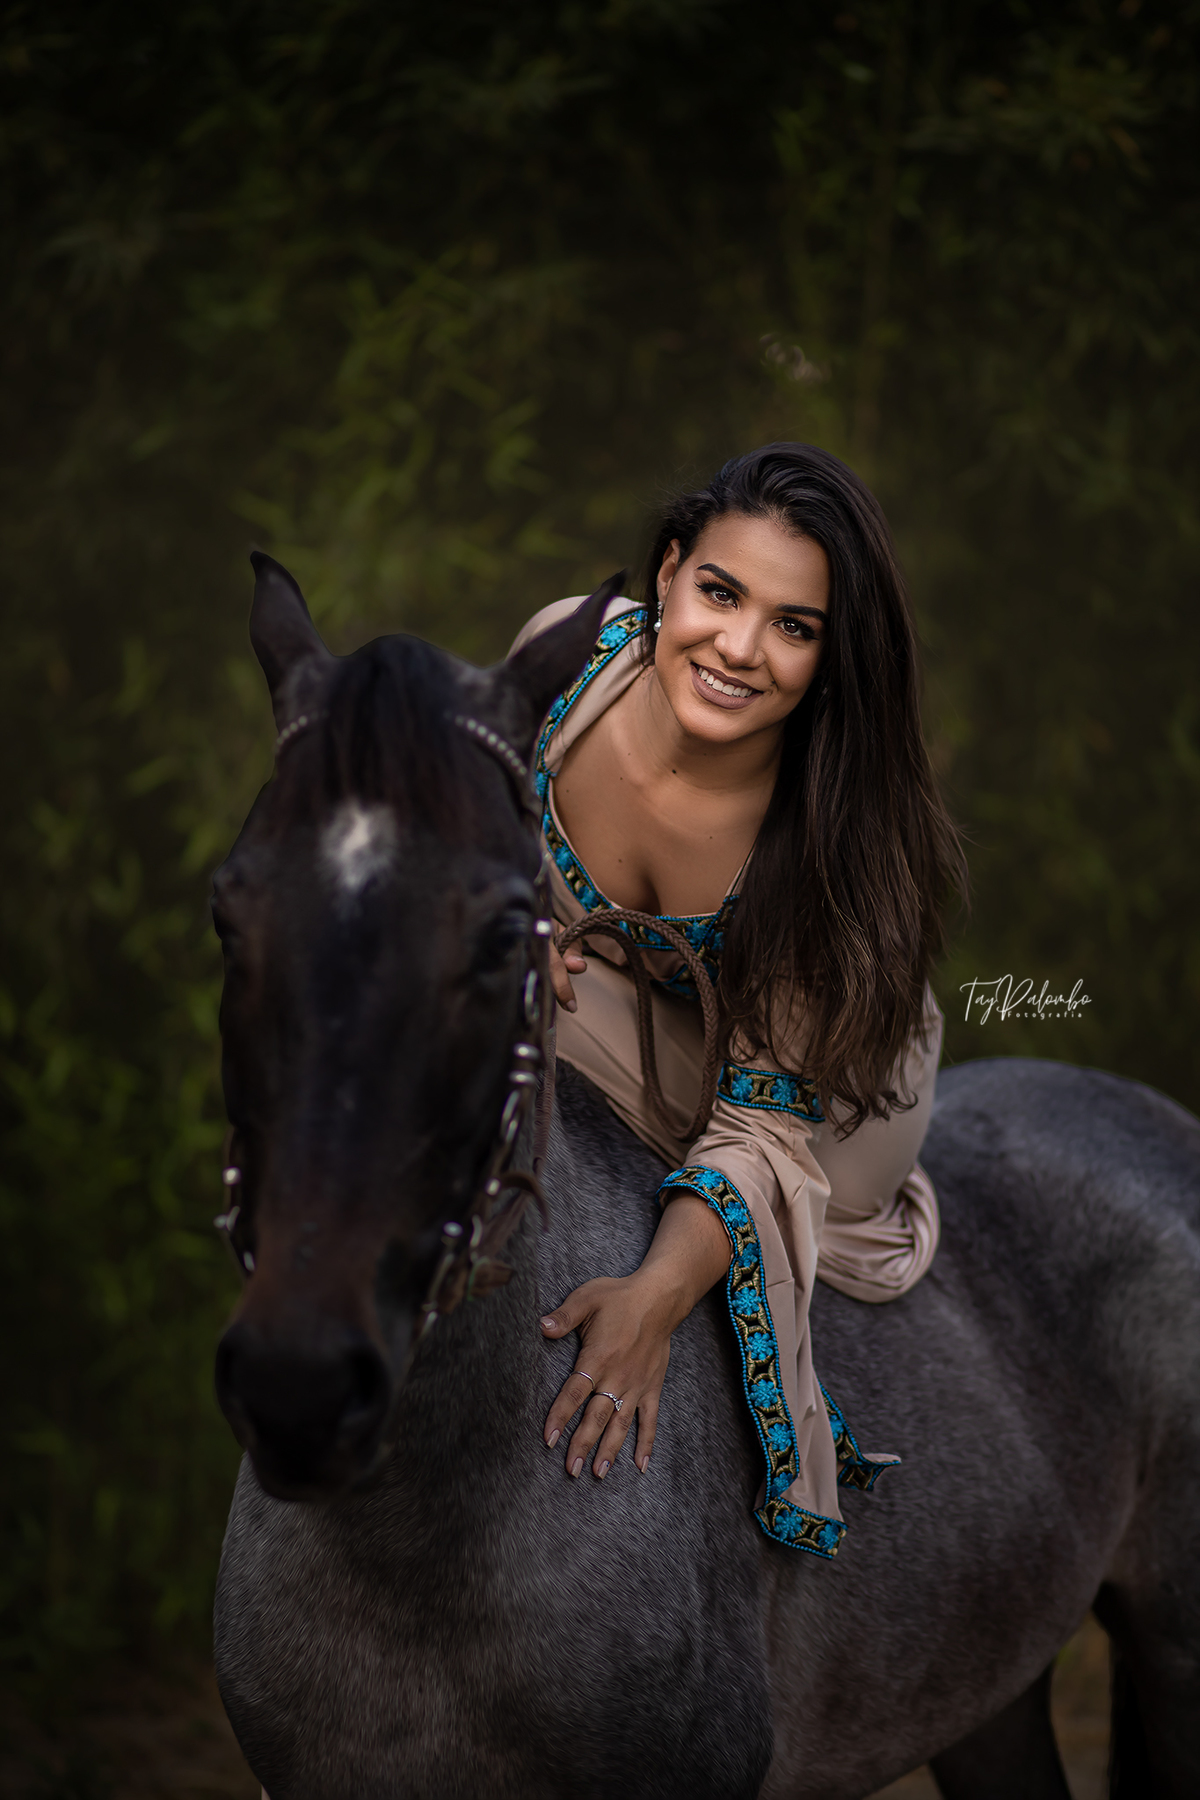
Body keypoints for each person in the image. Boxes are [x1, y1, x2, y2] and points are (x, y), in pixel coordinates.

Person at [510, 443, 964, 1555]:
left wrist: (656, 1296)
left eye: (795, 626)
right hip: (626, 1000)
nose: (740, 649)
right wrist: (520, 921)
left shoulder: (835, 855)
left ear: (830, 658)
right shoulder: (568, 651)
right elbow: (474, 832)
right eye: (721, 591)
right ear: (668, 573)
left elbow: (761, 1124)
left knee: (784, 1206)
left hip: (827, 1084)